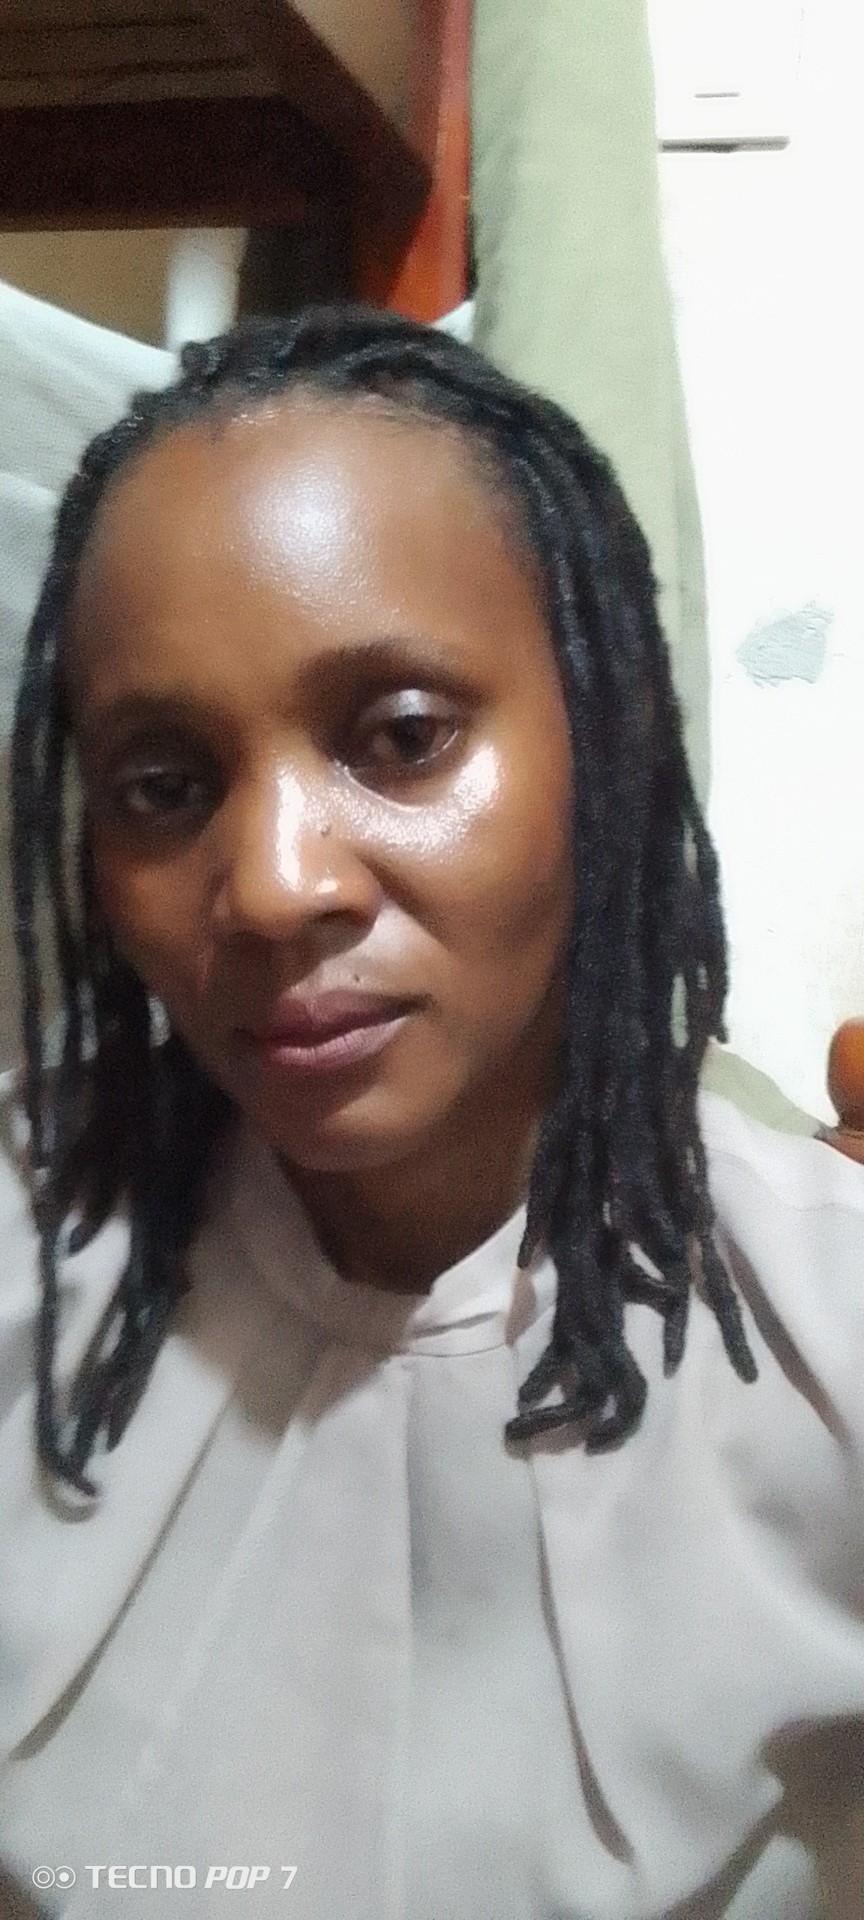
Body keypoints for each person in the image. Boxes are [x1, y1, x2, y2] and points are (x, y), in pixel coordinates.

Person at [0, 305, 862, 1920]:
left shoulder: (829, 1340)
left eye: (402, 739)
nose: (274, 888)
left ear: (602, 735)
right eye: (164, 785)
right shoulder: (30, 1242)